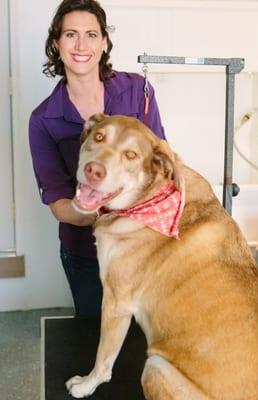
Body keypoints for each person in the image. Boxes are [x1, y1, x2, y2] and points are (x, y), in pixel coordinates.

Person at [29, 0, 165, 318]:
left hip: (145, 245)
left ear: (104, 42)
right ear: (55, 43)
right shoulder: (43, 119)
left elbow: (159, 167)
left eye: (91, 35)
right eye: (70, 35)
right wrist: (105, 207)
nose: (81, 45)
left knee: (148, 344)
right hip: (86, 254)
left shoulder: (137, 91)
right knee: (93, 340)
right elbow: (60, 206)